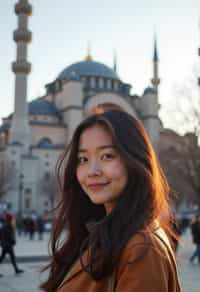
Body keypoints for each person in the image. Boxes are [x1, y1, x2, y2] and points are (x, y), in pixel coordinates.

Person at [40, 109, 181, 291]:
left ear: (135, 160)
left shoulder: (142, 249)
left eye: (107, 156)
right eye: (83, 159)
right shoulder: (100, 232)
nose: (92, 171)